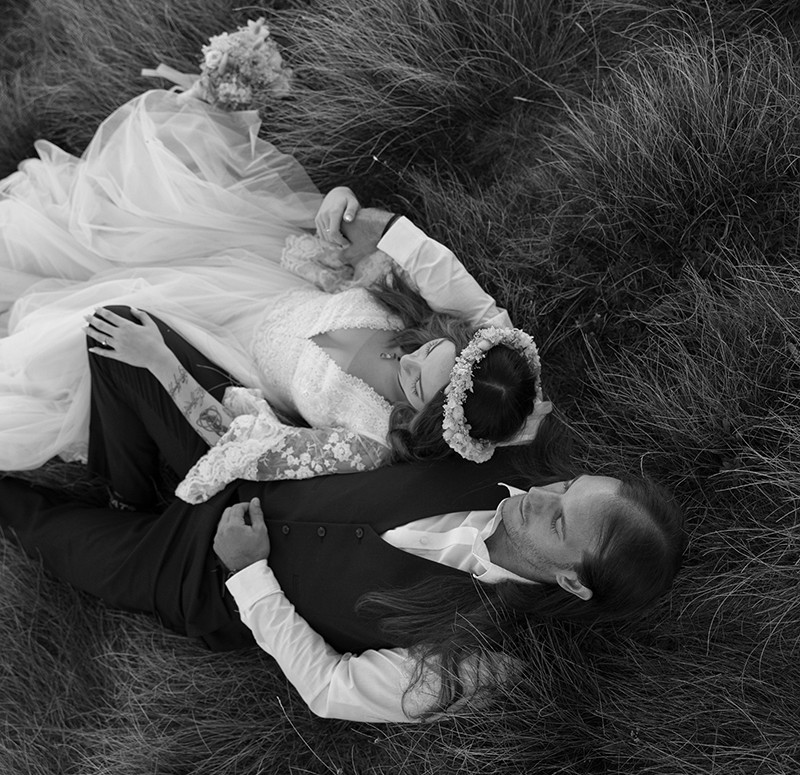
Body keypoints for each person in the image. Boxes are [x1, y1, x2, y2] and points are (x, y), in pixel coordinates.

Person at [0, 336, 685, 723]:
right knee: (118, 336)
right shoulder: (503, 453)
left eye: (560, 517)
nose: (544, 495)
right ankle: (135, 489)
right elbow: (483, 356)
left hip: (200, 577)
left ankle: (134, 509)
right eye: (566, 485)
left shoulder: (475, 659)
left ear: (571, 579)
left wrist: (249, 574)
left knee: (30, 517)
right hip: (243, 464)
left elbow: (330, 690)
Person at [0, 89, 547, 484]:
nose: (408, 359)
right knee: (123, 234)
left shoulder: (370, 442)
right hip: (256, 284)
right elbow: (431, 264)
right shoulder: (422, 319)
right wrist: (343, 202)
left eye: (413, 385)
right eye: (427, 350)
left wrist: (160, 361)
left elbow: (256, 452)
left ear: (425, 420)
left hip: (229, 354)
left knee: (89, 321)